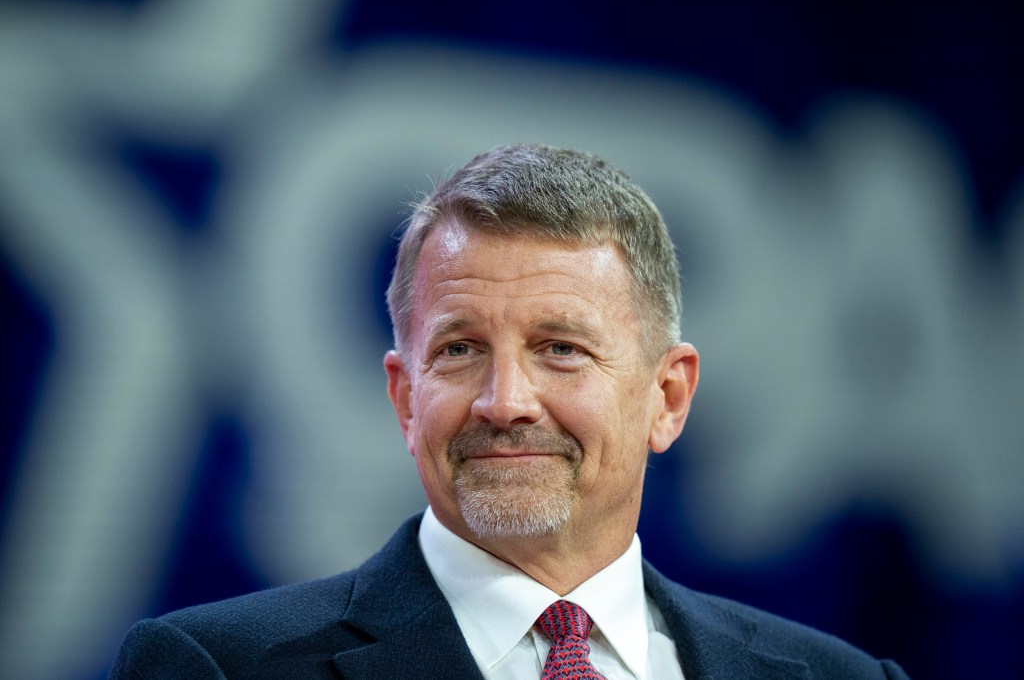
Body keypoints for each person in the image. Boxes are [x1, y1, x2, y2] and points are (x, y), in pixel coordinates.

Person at [110, 144, 909, 679]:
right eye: (458, 350)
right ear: (403, 396)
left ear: (666, 398)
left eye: (560, 348)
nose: (504, 403)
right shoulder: (218, 667)